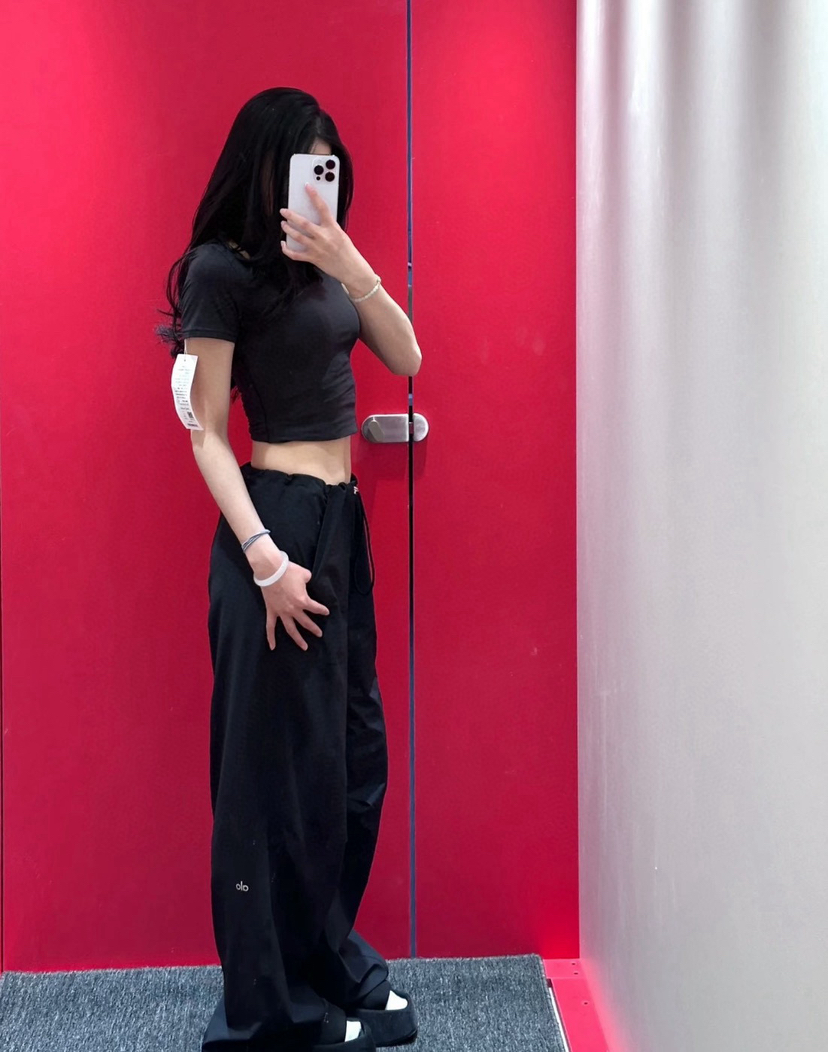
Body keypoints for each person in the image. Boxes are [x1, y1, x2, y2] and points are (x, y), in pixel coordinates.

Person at [156, 87, 421, 1052]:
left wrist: (349, 261)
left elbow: (408, 356)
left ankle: (321, 961)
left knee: (349, 762)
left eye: (331, 168)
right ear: (264, 166)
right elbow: (206, 432)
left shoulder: (329, 265)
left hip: (340, 523)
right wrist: (265, 558)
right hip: (276, 525)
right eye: (306, 164)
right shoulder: (219, 272)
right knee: (270, 777)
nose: (321, 182)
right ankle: (270, 1014)